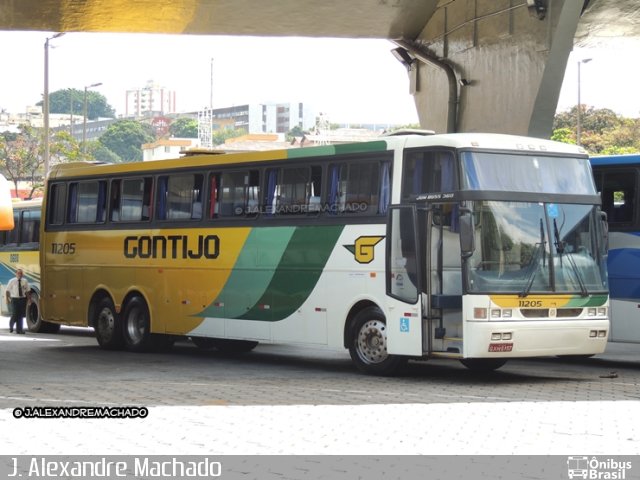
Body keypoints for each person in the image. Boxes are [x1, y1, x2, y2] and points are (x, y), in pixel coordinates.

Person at [5, 268, 30, 334]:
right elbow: (7, 290)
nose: (20, 274)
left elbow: (27, 291)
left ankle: (19, 330)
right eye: (18, 273)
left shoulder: (25, 281)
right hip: (14, 299)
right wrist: (7, 299)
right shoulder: (12, 281)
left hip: (22, 299)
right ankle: (11, 325)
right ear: (16, 274)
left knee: (21, 315)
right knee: (15, 314)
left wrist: (29, 299)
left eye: (21, 273)